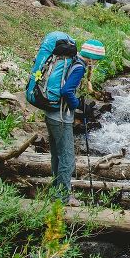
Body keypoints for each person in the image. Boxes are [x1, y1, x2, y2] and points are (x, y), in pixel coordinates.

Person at [46, 39, 105, 206]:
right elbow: (66, 91)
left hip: (51, 112)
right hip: (61, 117)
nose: (97, 63)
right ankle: (63, 199)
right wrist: (79, 105)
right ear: (92, 58)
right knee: (67, 159)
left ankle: (55, 193)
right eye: (98, 59)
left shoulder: (71, 61)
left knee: (57, 155)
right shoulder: (79, 67)